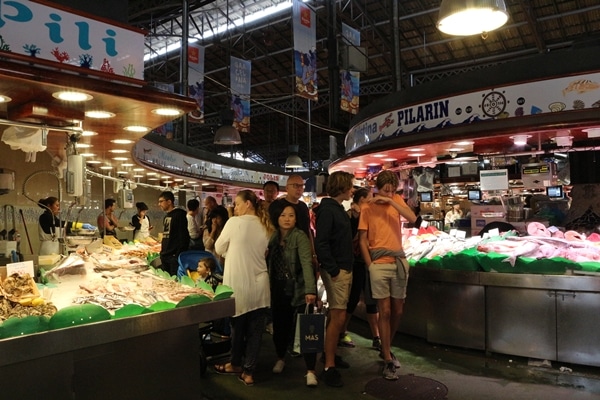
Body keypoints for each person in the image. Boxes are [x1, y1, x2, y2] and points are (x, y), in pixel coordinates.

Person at [358, 170, 417, 381]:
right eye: (385, 190)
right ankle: (387, 357)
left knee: (398, 310)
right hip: (379, 264)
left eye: (393, 190)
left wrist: (391, 201)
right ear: (376, 188)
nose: (389, 193)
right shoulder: (367, 208)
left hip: (398, 261)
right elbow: (362, 240)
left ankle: (386, 347)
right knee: (384, 311)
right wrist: (370, 265)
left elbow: (412, 217)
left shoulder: (396, 201)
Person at [213, 190, 275, 386]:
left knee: (237, 329)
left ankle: (235, 363)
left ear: (248, 204)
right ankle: (249, 373)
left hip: (239, 286)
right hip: (260, 286)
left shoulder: (234, 223)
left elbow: (218, 248)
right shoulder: (266, 225)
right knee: (256, 332)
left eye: (238, 204)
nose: (235, 208)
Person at [267, 202, 318, 387]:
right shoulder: (273, 237)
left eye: (291, 215)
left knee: (308, 330)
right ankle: (281, 357)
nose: (287, 219)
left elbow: (306, 263)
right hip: (278, 288)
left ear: (296, 219)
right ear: (276, 218)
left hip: (298, 288)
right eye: (283, 215)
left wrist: (310, 290)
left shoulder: (300, 236)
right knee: (280, 326)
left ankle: (311, 370)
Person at [314, 171, 355, 387]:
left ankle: (330, 356)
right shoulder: (329, 210)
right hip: (337, 270)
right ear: (341, 186)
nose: (352, 190)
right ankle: (329, 366)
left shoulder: (335, 208)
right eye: (350, 186)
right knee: (338, 316)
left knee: (335, 315)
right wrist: (334, 269)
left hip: (340, 268)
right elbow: (321, 242)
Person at [339, 187, 381, 350]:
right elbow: (348, 238)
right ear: (360, 201)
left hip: (369, 261)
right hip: (355, 262)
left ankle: (376, 336)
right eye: (368, 199)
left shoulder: (370, 215)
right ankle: (342, 332)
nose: (371, 201)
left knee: (372, 300)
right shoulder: (350, 216)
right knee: (352, 298)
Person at [158, 191, 189, 276]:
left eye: (161, 201)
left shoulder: (179, 215)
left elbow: (184, 236)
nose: (159, 204)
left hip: (173, 257)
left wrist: (177, 255)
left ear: (169, 202)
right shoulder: (166, 216)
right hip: (165, 255)